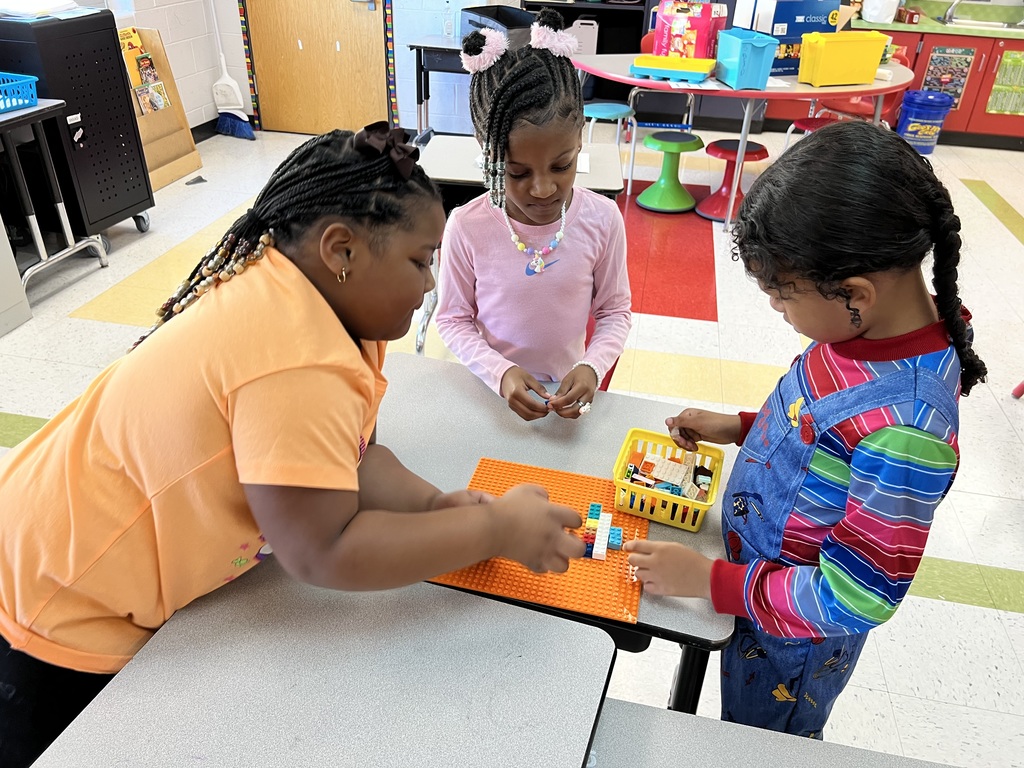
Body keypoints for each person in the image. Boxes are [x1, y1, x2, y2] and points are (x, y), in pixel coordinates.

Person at [0, 124, 585, 767]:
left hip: (37, 537)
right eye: (421, 261)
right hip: (54, 604)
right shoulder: (295, 356)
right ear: (343, 250)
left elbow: (347, 458)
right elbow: (324, 550)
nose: (430, 289)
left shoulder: (310, 294)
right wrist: (492, 532)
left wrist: (433, 507)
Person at [624, 120, 987, 739]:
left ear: (855, 293)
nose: (776, 309)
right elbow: (817, 431)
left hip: (791, 642)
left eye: (783, 296)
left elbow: (858, 595)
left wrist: (710, 582)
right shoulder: (860, 331)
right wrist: (742, 427)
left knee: (758, 738)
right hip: (752, 585)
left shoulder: (905, 431)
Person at [435, 10, 632, 422]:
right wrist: (500, 372)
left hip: (566, 396)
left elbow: (615, 312)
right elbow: (453, 319)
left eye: (561, 166)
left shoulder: (603, 219)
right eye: (517, 173)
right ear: (486, 154)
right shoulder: (466, 227)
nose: (543, 189)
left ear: (579, 141)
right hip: (491, 393)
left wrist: (592, 366)